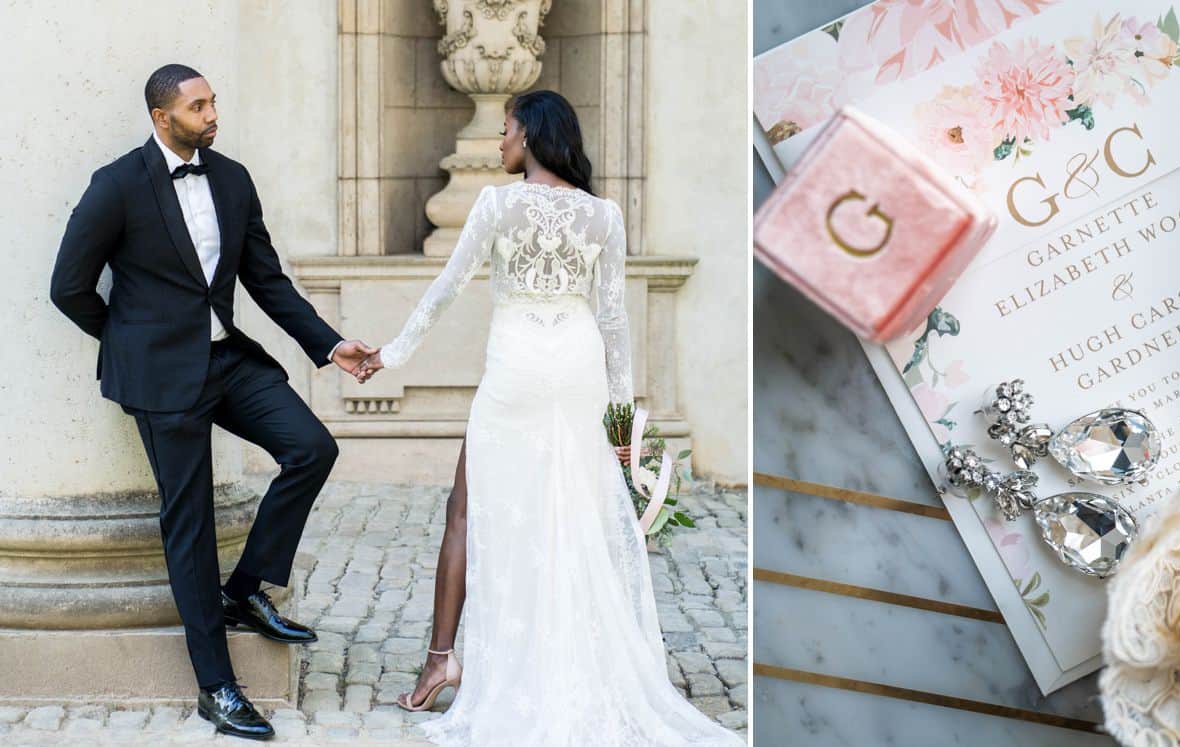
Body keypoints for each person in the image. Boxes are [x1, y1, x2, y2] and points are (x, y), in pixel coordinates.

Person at [360, 89, 741, 745]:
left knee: (465, 510)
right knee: (575, 508)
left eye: (506, 129)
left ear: (531, 135)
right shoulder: (604, 215)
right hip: (578, 365)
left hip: (517, 365)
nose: (500, 142)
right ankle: (567, 658)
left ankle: (441, 661)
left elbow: (446, 288)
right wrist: (622, 428)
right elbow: (614, 322)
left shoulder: (495, 205)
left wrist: (388, 355)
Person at [48, 63, 380, 741]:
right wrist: (129, 341)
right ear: (162, 117)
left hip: (227, 361)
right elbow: (68, 286)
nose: (212, 114)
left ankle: (246, 588)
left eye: (213, 102)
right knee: (191, 520)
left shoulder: (231, 178)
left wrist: (330, 344)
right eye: (198, 106)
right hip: (159, 380)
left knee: (311, 448)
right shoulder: (117, 185)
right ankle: (216, 686)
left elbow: (267, 280)